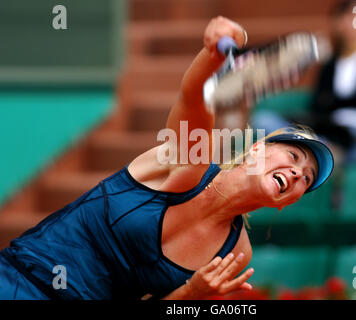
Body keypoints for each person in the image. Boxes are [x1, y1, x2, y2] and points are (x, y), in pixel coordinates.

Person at [0, 17, 333, 300]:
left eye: (305, 179)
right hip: (20, 283)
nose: (296, 173)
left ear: (285, 203)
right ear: (257, 148)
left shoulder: (237, 252)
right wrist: (210, 55)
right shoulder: (190, 162)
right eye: (293, 156)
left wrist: (190, 294)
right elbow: (194, 98)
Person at [252, 0, 356, 164]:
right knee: (263, 120)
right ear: (336, 23)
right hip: (327, 131)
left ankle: (321, 155)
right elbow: (318, 105)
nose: (352, 24)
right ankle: (324, 153)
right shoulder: (330, 65)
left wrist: (333, 101)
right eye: (346, 17)